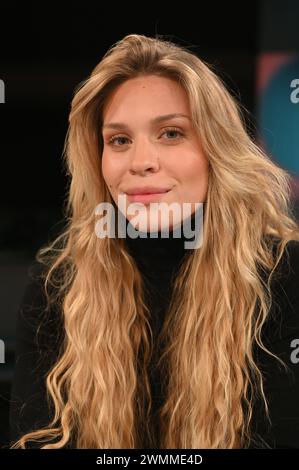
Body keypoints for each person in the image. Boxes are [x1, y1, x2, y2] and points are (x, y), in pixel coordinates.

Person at [9, 33, 299, 449]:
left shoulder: (284, 275)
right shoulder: (58, 285)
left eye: (171, 133)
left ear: (218, 149)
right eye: (119, 140)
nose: (141, 162)